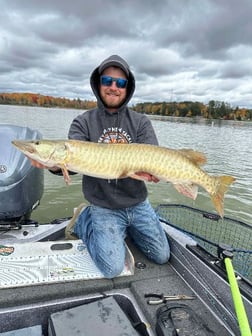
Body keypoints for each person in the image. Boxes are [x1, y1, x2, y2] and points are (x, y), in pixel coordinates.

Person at [32, 55, 170, 278]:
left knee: (161, 255)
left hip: (137, 204)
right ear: (98, 85)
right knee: (112, 269)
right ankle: (84, 219)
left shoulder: (140, 122)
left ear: (128, 88)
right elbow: (72, 164)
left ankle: (124, 229)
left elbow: (152, 159)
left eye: (120, 83)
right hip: (103, 206)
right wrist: (53, 166)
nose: (113, 87)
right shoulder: (83, 122)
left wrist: (156, 174)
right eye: (107, 81)